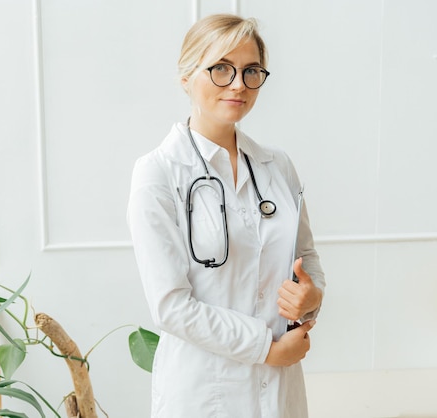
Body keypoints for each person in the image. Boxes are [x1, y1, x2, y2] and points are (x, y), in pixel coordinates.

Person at [126, 14, 325, 417]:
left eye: (251, 71)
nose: (238, 84)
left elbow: (307, 260)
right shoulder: (158, 172)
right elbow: (171, 306)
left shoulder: (278, 166)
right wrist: (266, 349)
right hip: (204, 390)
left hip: (280, 389)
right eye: (221, 68)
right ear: (186, 77)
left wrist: (312, 297)